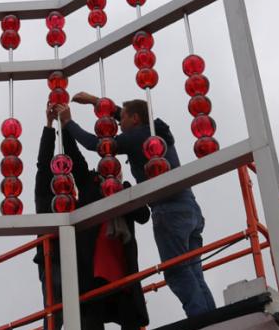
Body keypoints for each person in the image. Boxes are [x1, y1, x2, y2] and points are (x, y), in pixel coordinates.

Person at [56, 93, 216, 318]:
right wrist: (95, 102)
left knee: (177, 271)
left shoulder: (137, 136)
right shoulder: (155, 134)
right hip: (189, 208)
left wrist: (68, 122)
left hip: (168, 210)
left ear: (136, 119)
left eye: (124, 120)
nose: (119, 125)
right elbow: (123, 115)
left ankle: (200, 319)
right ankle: (211, 316)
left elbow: (97, 145)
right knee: (193, 270)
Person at [34, 103, 150, 330]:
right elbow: (72, 159)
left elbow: (143, 215)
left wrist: (124, 193)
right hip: (91, 267)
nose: (111, 167)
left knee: (127, 318)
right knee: (85, 317)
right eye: (106, 165)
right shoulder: (89, 187)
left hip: (121, 269)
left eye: (116, 165)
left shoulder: (124, 190)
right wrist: (62, 126)